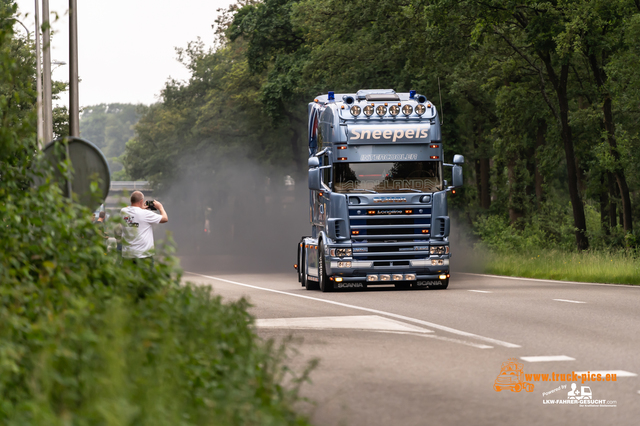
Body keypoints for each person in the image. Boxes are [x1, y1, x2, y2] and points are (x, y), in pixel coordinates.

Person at [120, 191, 168, 267]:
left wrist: (140, 208)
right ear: (141, 201)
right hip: (143, 256)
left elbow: (132, 210)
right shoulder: (145, 214)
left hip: (127, 255)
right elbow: (165, 219)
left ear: (131, 200)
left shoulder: (123, 211)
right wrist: (160, 207)